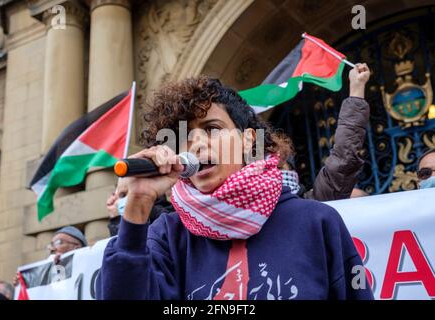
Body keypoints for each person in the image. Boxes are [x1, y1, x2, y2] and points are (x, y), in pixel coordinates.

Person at [97, 75, 373, 300]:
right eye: (183, 136)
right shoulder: (167, 236)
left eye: (212, 128)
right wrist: (137, 205)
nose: (197, 144)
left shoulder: (316, 221)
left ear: (248, 140)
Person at [280, 63, 371, 201]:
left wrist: (356, 89)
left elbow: (343, 159)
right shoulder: (242, 208)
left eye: (277, 166)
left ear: (290, 170)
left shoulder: (310, 204)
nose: (267, 168)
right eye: (262, 165)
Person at [13, 226, 87, 286]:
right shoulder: (48, 275)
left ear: (77, 247)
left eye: (58, 242)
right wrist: (24, 283)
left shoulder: (89, 267)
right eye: (51, 245)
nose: (52, 248)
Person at [106, 179, 174, 236]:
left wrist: (142, 206)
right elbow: (122, 246)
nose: (121, 200)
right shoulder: (121, 213)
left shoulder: (166, 211)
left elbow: (171, 226)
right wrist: (115, 217)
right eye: (121, 195)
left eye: (125, 194)